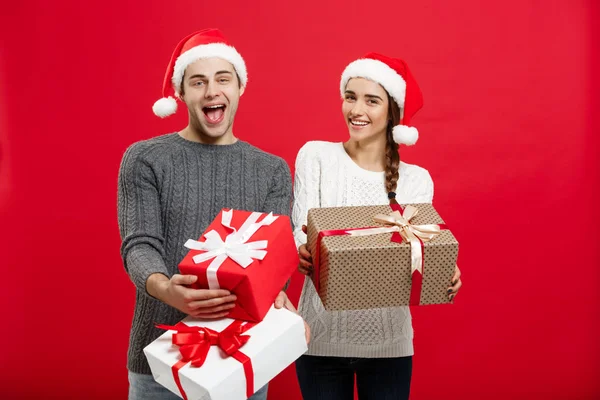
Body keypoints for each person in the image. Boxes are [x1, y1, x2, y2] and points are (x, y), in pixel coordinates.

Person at [117, 28, 300, 400]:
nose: (212, 91)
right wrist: (165, 288)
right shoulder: (145, 159)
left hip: (243, 356)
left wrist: (282, 304)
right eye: (198, 82)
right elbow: (139, 243)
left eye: (223, 79)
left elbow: (275, 258)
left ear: (239, 88)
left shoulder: (273, 170)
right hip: (159, 357)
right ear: (181, 93)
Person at [292, 53, 463, 399]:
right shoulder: (315, 157)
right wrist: (300, 248)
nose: (357, 110)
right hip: (319, 340)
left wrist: (440, 266)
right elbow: (301, 227)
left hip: (390, 347)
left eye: (372, 101)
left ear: (392, 113)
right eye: (351, 97)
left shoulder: (417, 180)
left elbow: (414, 253)